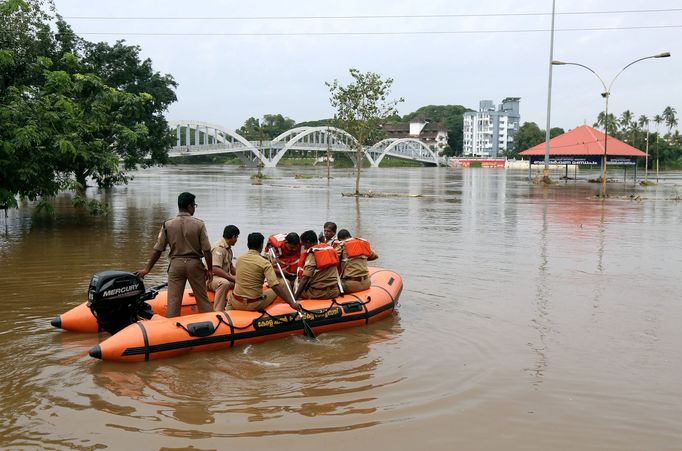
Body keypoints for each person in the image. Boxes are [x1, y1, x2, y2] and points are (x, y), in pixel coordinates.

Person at [135, 192, 213, 317]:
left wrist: (147, 269)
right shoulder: (199, 224)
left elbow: (158, 250)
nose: (194, 208)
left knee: (173, 302)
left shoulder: (167, 224)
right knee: (203, 300)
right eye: (194, 205)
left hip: (176, 265)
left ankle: (171, 329)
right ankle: (212, 325)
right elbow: (207, 250)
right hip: (194, 264)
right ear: (189, 206)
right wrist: (210, 269)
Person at [229, 232, 300, 312]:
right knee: (278, 288)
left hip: (236, 302)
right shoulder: (265, 263)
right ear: (261, 246)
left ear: (248, 245)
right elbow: (275, 286)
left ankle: (226, 310)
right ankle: (284, 308)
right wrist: (291, 303)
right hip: (254, 304)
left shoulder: (239, 259)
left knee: (234, 295)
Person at [295, 230, 341, 300]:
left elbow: (305, 278)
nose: (304, 248)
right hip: (334, 291)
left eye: (304, 245)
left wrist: (294, 298)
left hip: (318, 293)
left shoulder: (312, 254)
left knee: (296, 286)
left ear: (308, 242)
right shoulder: (330, 249)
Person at [336, 229, 378, 294]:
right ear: (350, 236)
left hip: (351, 285)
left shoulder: (341, 246)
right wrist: (361, 258)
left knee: (330, 287)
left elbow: (330, 261)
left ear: (340, 239)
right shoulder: (363, 244)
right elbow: (375, 256)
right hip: (366, 283)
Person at [209, 225, 239, 311]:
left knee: (242, 281)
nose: (237, 240)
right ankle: (218, 311)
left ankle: (236, 305)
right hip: (212, 279)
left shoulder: (228, 249)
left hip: (223, 277)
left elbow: (231, 268)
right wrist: (232, 278)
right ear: (233, 237)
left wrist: (242, 276)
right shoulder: (219, 248)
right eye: (236, 237)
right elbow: (215, 268)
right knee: (224, 283)